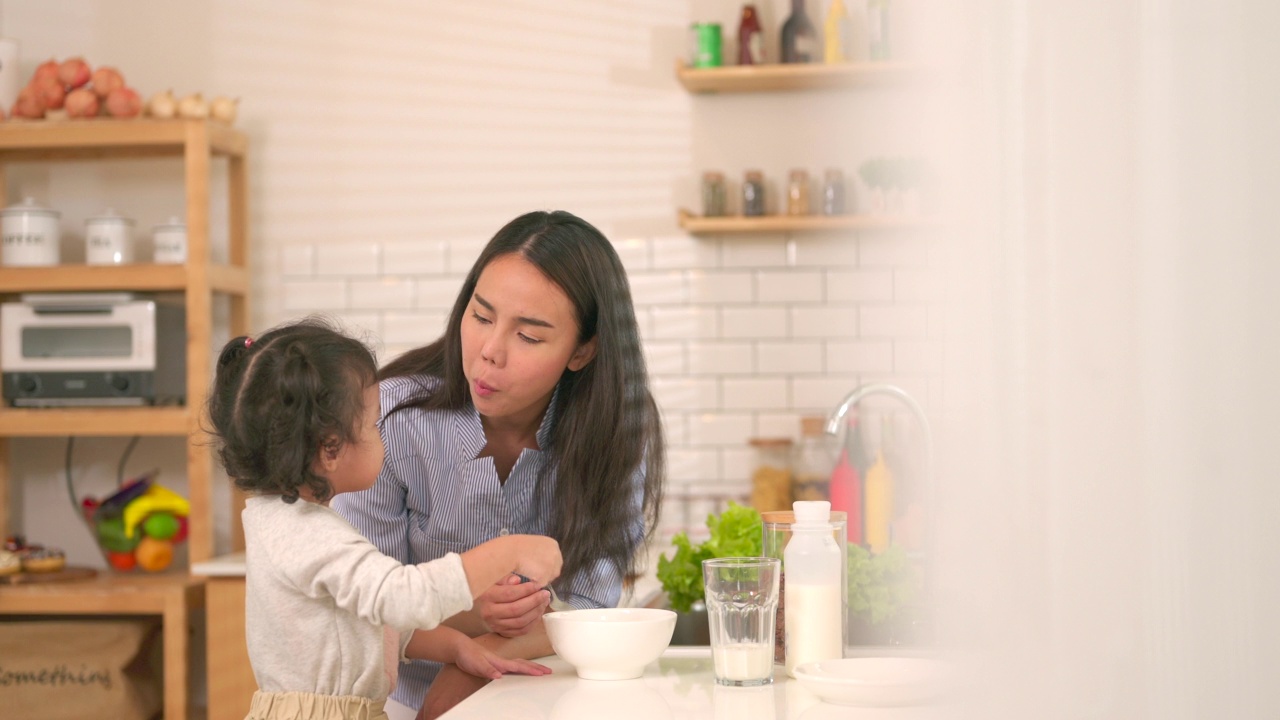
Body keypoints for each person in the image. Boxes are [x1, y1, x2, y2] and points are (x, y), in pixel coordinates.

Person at [332, 210, 665, 719]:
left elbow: (587, 605)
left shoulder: (617, 431)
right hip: (398, 700)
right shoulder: (387, 421)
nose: (489, 352)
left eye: (528, 337)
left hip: (551, 696)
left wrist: (470, 669)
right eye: (481, 316)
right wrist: (469, 612)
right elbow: (365, 605)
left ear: (583, 351)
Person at [206, 318, 563, 720]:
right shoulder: (310, 535)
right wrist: (509, 551)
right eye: (374, 424)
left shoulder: (286, 522)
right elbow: (402, 597)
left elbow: (366, 623)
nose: (383, 434)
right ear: (330, 449)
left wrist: (457, 647)